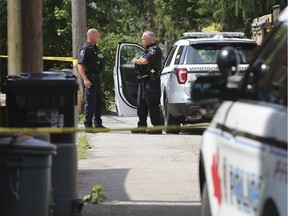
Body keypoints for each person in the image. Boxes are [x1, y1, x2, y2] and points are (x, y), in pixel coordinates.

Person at [131, 31, 163, 134]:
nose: (142, 40)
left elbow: (144, 61)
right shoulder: (147, 50)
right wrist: (138, 60)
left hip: (152, 81)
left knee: (152, 104)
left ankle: (157, 127)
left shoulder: (154, 50)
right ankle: (141, 126)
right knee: (141, 104)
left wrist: (135, 60)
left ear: (150, 39)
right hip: (144, 80)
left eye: (144, 39)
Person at [78, 28, 106, 128]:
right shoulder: (85, 49)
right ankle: (88, 125)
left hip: (96, 78)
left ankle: (98, 124)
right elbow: (80, 65)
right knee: (90, 103)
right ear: (91, 36)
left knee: (98, 102)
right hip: (89, 79)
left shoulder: (95, 48)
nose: (99, 37)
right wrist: (85, 79)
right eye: (97, 35)